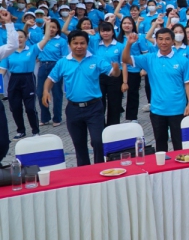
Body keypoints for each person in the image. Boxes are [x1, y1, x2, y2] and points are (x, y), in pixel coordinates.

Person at [43, 30, 121, 165]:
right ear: (69, 45)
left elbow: (113, 73)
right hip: (73, 109)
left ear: (87, 44)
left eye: (82, 43)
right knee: (79, 144)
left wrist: (116, 69)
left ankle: (99, 167)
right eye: (75, 43)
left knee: (97, 140)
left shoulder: (96, 60)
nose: (79, 46)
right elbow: (50, 79)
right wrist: (45, 91)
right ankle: (84, 172)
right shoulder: (63, 62)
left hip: (94, 108)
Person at [123, 28, 189, 151]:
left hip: (178, 110)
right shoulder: (149, 58)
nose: (164, 42)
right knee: (161, 146)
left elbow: (188, 83)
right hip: (157, 110)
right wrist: (129, 44)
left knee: (180, 145)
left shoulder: (182, 60)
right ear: (156, 41)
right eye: (160, 39)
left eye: (167, 39)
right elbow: (125, 59)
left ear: (172, 41)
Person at [0, 21, 52, 139]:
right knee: (15, 107)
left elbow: (46, 38)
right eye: (17, 37)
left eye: (22, 37)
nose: (19, 39)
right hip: (14, 80)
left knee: (29, 107)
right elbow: (2, 70)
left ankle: (35, 130)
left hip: (28, 79)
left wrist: (47, 24)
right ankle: (20, 130)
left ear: (26, 37)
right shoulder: (9, 53)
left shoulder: (32, 49)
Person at [36, 19, 67, 127]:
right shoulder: (42, 39)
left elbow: (64, 58)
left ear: (58, 29)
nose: (51, 29)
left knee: (56, 93)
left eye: (54, 27)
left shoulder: (62, 41)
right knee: (40, 93)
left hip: (56, 66)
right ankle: (45, 117)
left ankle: (57, 117)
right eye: (49, 27)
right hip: (43, 66)